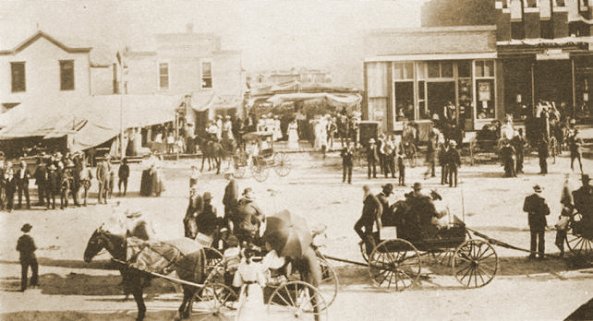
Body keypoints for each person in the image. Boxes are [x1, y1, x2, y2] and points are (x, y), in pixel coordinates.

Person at [233, 247, 266, 321]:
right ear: (252, 256)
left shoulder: (240, 266)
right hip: (255, 288)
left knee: (245, 306)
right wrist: (262, 284)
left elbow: (237, 282)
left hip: (246, 287)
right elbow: (260, 278)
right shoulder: (256, 265)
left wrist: (242, 284)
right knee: (255, 306)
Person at [523, 185, 550, 259]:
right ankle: (541, 254)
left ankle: (533, 254)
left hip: (532, 221)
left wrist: (532, 211)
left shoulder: (528, 198)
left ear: (534, 190)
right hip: (541, 221)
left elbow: (524, 209)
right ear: (540, 191)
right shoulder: (542, 199)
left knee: (533, 237)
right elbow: (547, 212)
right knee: (541, 238)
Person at [354, 185, 382, 255]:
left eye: (366, 189)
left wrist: (378, 215)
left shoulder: (371, 196)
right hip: (364, 217)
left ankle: (371, 251)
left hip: (369, 218)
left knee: (368, 234)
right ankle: (366, 240)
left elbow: (379, 206)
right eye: (364, 189)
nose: (365, 190)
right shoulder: (367, 195)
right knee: (356, 227)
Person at [16, 223, 39, 291]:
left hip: (23, 257)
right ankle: (33, 284)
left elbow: (17, 248)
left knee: (24, 272)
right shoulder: (30, 238)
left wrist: (23, 250)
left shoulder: (20, 238)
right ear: (29, 230)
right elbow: (34, 248)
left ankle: (23, 287)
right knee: (35, 270)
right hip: (31, 257)